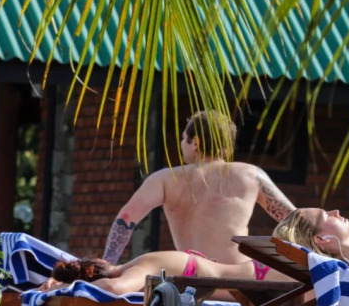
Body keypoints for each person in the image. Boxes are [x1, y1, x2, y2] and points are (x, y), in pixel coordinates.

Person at [102, 110, 296, 266]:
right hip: (238, 280)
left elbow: (127, 216)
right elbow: (295, 219)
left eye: (183, 138)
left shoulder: (165, 179)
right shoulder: (251, 174)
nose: (181, 144)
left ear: (195, 143)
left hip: (192, 276)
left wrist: (107, 263)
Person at [48, 250, 292, 296]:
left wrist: (66, 288)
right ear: (101, 262)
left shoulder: (139, 268)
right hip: (259, 274)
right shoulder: (144, 259)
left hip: (261, 281)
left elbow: (115, 288)